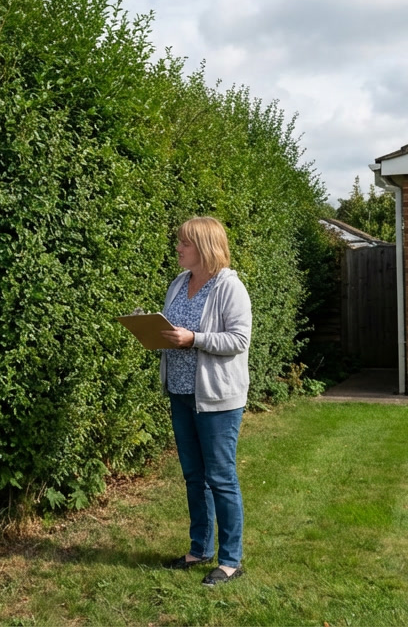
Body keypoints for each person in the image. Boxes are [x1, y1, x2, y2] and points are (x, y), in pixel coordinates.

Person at [157, 216, 251, 586]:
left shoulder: (230, 288)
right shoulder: (179, 283)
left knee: (221, 477)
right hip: (180, 393)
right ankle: (200, 548)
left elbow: (238, 341)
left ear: (205, 247)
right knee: (194, 476)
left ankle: (230, 559)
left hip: (217, 400)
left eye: (184, 243)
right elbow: (173, 330)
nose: (177, 248)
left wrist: (193, 339)